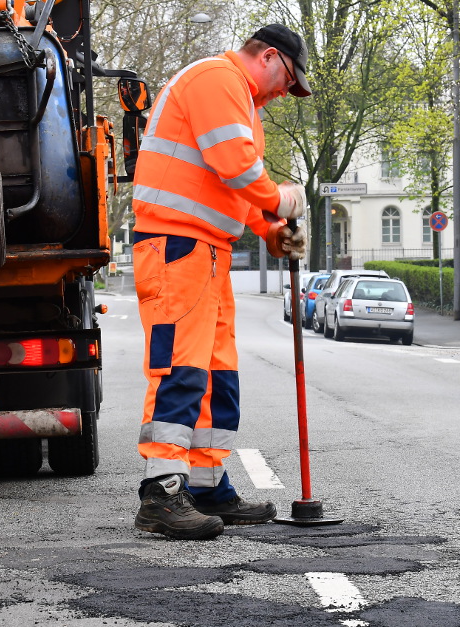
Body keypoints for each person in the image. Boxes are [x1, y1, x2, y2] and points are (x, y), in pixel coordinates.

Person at [131, 24, 312, 540]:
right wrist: (283, 202)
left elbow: (235, 190)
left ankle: (208, 487)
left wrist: (273, 233)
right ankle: (160, 492)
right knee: (180, 369)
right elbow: (237, 167)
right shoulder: (217, 79)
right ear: (270, 57)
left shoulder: (244, 105)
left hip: (210, 251)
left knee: (216, 376)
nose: (284, 93)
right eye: (288, 80)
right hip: (176, 246)